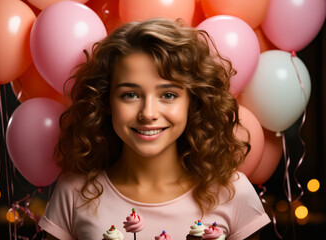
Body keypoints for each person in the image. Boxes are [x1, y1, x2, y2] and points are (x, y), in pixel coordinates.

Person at [38, 18, 270, 240]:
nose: (148, 113)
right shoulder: (74, 193)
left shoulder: (234, 192)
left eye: (168, 95)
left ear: (193, 101)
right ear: (106, 101)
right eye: (130, 95)